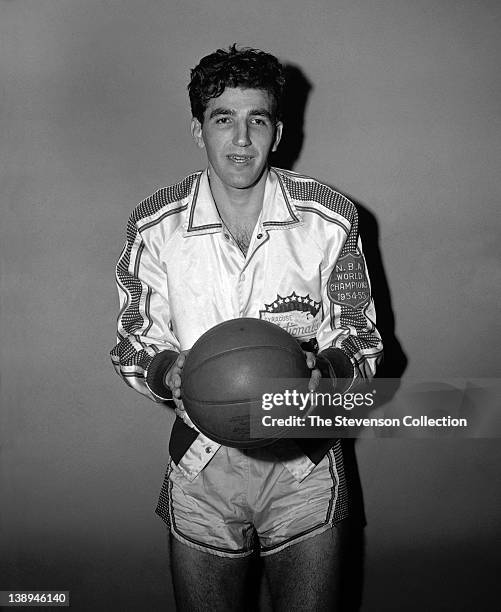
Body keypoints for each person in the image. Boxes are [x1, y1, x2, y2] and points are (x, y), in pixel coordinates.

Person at [110, 44, 382, 611]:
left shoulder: (331, 219)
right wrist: (168, 371)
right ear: (197, 129)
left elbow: (362, 337)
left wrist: (328, 371)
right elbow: (133, 340)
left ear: (277, 131)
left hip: (303, 464)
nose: (241, 139)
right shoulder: (155, 224)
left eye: (257, 119)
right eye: (223, 119)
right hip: (201, 463)